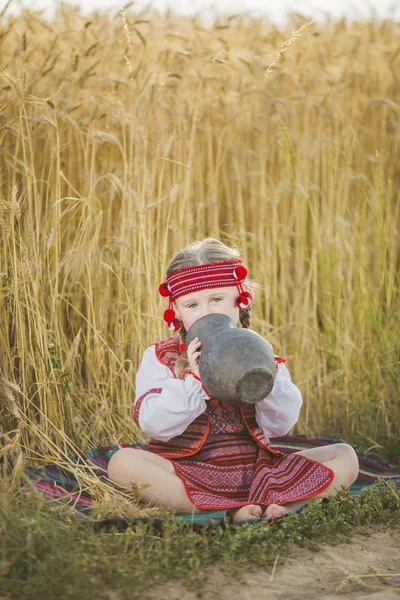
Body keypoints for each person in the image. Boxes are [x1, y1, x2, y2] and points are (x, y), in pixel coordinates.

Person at [108, 238, 359, 523]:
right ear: (176, 311)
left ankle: (284, 506)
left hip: (256, 472)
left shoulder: (257, 351)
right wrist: (195, 381)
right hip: (186, 472)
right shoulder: (159, 356)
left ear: (240, 299)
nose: (207, 312)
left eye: (217, 299)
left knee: (345, 455)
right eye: (193, 304)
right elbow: (154, 425)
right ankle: (224, 510)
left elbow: (280, 426)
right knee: (122, 463)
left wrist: (266, 375)